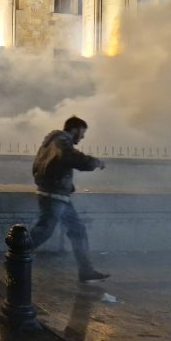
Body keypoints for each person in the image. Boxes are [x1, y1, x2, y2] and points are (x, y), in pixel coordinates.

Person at [31, 116, 109, 283]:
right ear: (74, 129)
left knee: (77, 231)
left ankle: (86, 271)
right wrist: (94, 162)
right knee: (43, 231)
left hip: (57, 194)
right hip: (54, 195)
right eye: (82, 132)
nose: (83, 137)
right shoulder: (62, 141)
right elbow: (72, 157)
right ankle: (13, 258)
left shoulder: (51, 142)